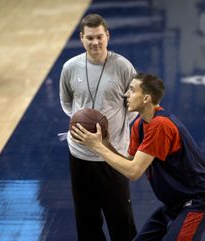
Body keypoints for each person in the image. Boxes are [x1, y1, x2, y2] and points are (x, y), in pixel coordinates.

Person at [71, 73, 205, 241]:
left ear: (146, 98)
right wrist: (106, 144)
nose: (126, 95)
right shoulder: (140, 124)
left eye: (131, 90)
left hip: (199, 200)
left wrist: (97, 147)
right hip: (176, 202)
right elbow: (128, 162)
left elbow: (133, 172)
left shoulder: (160, 126)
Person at [59, 14, 137, 241]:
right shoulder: (70, 67)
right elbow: (67, 104)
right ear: (82, 38)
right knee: (86, 222)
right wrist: (83, 123)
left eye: (99, 37)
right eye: (90, 37)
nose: (95, 42)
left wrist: (113, 129)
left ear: (107, 36)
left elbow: (132, 106)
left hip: (113, 155)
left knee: (121, 222)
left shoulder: (123, 67)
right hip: (80, 155)